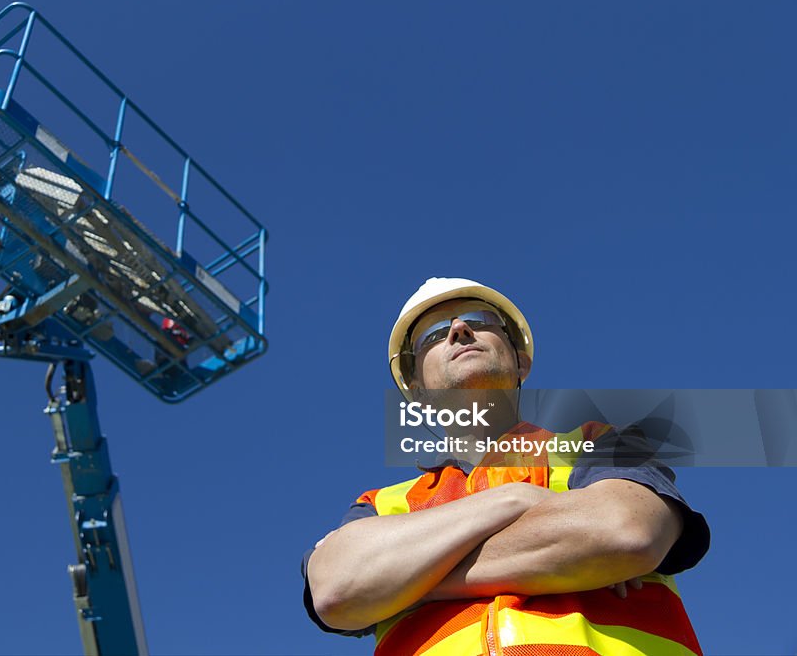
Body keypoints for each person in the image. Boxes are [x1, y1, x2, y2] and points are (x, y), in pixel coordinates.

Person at [301, 278, 710, 655]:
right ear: (416, 390)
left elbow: (626, 532)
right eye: (434, 334)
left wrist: (410, 584)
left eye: (479, 321)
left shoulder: (599, 443)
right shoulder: (380, 504)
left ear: (521, 362)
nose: (459, 331)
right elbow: (337, 590)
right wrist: (517, 499)